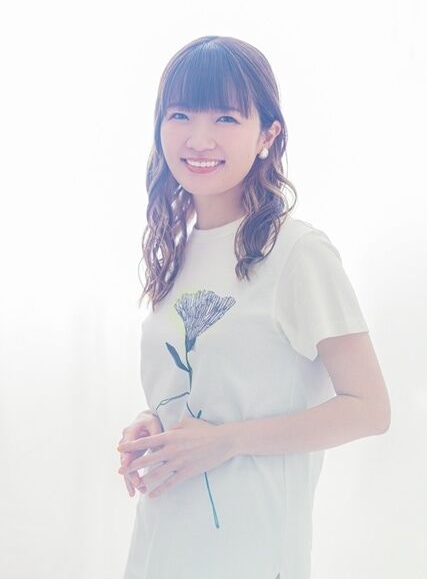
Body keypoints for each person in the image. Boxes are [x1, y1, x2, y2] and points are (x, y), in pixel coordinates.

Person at [116, 35, 391, 579]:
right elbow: (208, 389)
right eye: (180, 115)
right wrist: (155, 424)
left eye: (225, 117)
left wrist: (227, 442)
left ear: (268, 134)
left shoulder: (297, 252)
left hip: (253, 553)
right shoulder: (176, 252)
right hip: (161, 546)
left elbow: (370, 408)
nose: (199, 138)